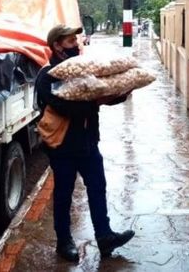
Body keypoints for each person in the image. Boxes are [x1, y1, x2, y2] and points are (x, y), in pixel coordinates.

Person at [35, 24, 135, 262]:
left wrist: (120, 92)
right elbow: (68, 108)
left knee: (98, 188)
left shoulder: (80, 69)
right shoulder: (48, 76)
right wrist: (99, 99)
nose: (76, 45)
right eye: (70, 42)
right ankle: (64, 242)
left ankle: (105, 236)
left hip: (88, 143)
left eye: (76, 41)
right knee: (63, 194)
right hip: (63, 147)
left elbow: (97, 94)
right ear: (57, 46)